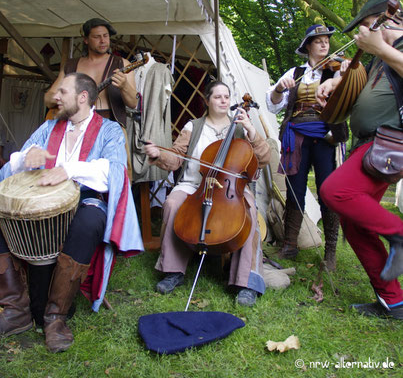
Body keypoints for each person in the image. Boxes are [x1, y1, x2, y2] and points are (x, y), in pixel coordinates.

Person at [0, 72, 143, 351]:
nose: (56, 96)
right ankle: (16, 310)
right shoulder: (48, 127)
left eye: (62, 92)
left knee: (89, 221)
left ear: (82, 97)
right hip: (41, 203)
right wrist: (22, 160)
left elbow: (114, 171)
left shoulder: (109, 130)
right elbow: (12, 169)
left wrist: (70, 169)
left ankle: (55, 317)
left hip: (86, 200)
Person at [316, 0, 403, 320]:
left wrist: (380, 46)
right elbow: (362, 95)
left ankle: (398, 233)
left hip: (387, 143)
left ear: (390, 17)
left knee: (333, 191)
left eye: (369, 24)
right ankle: (393, 302)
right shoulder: (381, 60)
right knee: (354, 224)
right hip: (369, 146)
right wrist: (335, 88)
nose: (364, 34)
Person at [144, 81, 271, 306]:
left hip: (232, 188)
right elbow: (176, 157)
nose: (223, 100)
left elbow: (264, 159)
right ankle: (173, 270)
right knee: (172, 203)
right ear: (207, 100)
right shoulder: (193, 126)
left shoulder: (241, 127)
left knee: (249, 211)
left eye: (226, 97)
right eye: (217, 97)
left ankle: (246, 282)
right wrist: (159, 154)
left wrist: (251, 129)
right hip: (195, 184)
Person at [265, 25, 348, 269]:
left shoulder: (336, 70)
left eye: (327, 41)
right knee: (295, 190)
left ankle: (330, 254)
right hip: (295, 137)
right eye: (319, 41)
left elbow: (349, 91)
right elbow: (273, 105)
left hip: (325, 137)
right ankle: (290, 245)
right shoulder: (295, 72)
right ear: (308, 46)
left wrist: (345, 72)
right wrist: (280, 88)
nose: (325, 45)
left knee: (327, 191)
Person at [45, 18, 137, 126]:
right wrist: (67, 99)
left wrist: (124, 86)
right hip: (75, 125)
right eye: (97, 37)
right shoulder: (71, 65)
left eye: (105, 36)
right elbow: (48, 98)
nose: (103, 40)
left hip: (110, 125)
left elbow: (134, 103)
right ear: (86, 40)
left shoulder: (123, 64)